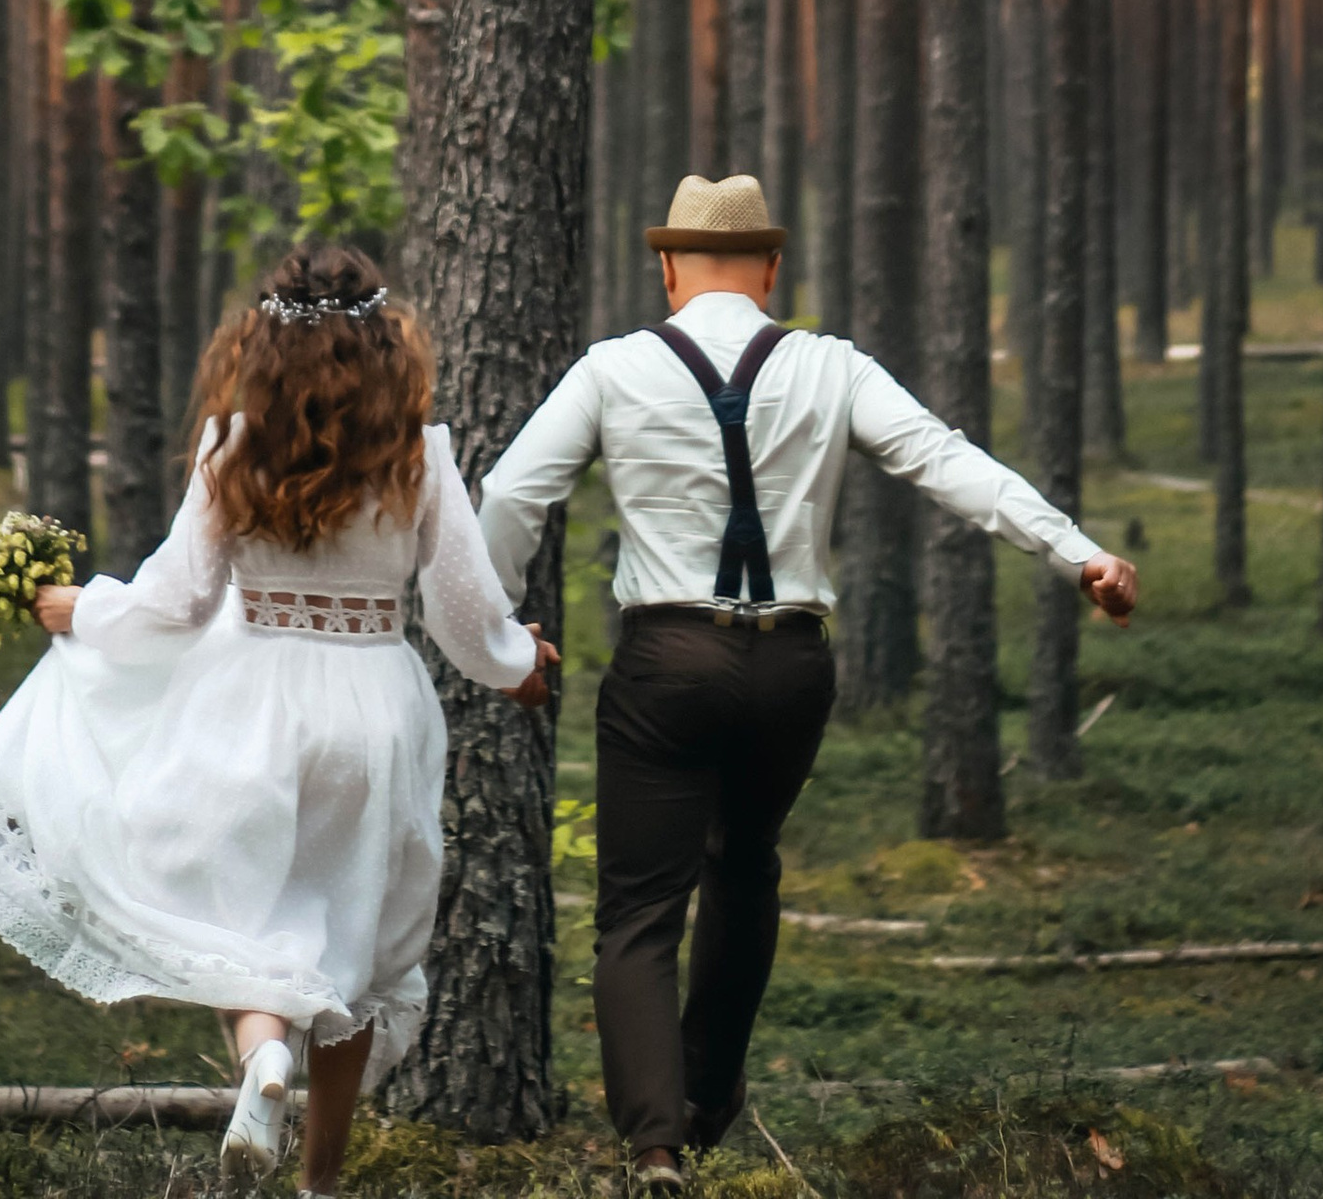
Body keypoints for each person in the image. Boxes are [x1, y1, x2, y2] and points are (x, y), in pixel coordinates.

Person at [479, 172, 1138, 1181]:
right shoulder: (831, 366)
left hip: (667, 662)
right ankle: (705, 1100)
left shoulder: (612, 370)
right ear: (771, 268)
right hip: (791, 664)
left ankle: (656, 1144)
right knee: (742, 868)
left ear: (666, 268)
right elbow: (942, 459)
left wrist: (498, 635)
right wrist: (1076, 553)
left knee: (639, 911)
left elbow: (514, 490)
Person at [0, 240, 558, 1187]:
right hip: (376, 705)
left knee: (240, 923)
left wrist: (77, 606)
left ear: (262, 345)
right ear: (387, 346)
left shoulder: (233, 447)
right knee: (359, 952)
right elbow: (463, 613)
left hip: (252, 698)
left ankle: (262, 1061)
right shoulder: (419, 456)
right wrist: (518, 666)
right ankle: (320, 1181)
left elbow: (174, 601)